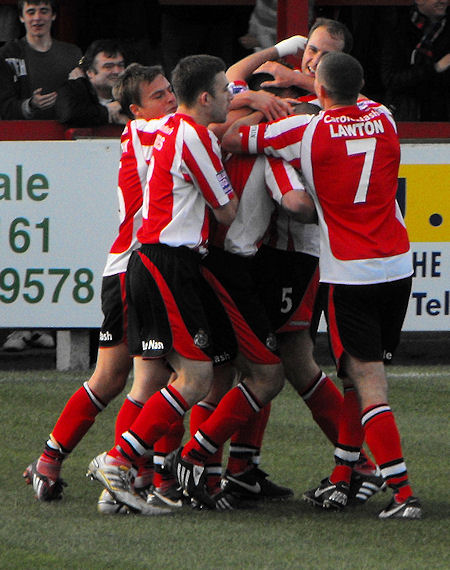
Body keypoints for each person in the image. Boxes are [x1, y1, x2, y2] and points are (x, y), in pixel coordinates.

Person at [222, 51, 422, 520]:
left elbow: (232, 137)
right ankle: (344, 474)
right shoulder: (385, 117)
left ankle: (401, 491)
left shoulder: (303, 131)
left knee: (367, 381)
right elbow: (354, 97)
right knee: (356, 377)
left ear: (321, 92)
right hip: (398, 266)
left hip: (349, 272)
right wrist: (307, 82)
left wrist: (258, 99)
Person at [23, 63, 179, 517]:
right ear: (135, 110)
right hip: (136, 268)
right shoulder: (147, 133)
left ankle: (53, 461)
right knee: (156, 375)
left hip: (130, 268)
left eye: (170, 90)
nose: (169, 99)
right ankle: (130, 475)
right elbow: (200, 109)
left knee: (121, 376)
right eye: (159, 95)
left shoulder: (153, 132)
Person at [87, 54, 239, 514]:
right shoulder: (190, 135)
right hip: (167, 262)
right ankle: (118, 461)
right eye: (224, 89)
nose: (230, 96)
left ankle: (120, 489)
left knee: (152, 376)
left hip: (149, 260)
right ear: (206, 97)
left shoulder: (168, 130)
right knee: (196, 377)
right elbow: (226, 212)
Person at [0, 0, 81, 119]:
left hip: (65, 131)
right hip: (21, 133)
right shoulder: (7, 54)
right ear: (21, 17)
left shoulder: (73, 53)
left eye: (44, 11)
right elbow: (3, 106)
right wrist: (30, 105)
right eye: (31, 12)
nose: (37, 17)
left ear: (53, 15)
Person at [380, 0, 450, 121]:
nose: (444, 1)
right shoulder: (398, 30)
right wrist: (435, 68)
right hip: (409, 114)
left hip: (443, 115)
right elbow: (390, 79)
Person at [56, 39, 129, 126]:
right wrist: (106, 111)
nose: (117, 71)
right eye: (108, 66)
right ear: (90, 72)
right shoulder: (73, 89)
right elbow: (69, 114)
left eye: (120, 65)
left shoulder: (131, 92)